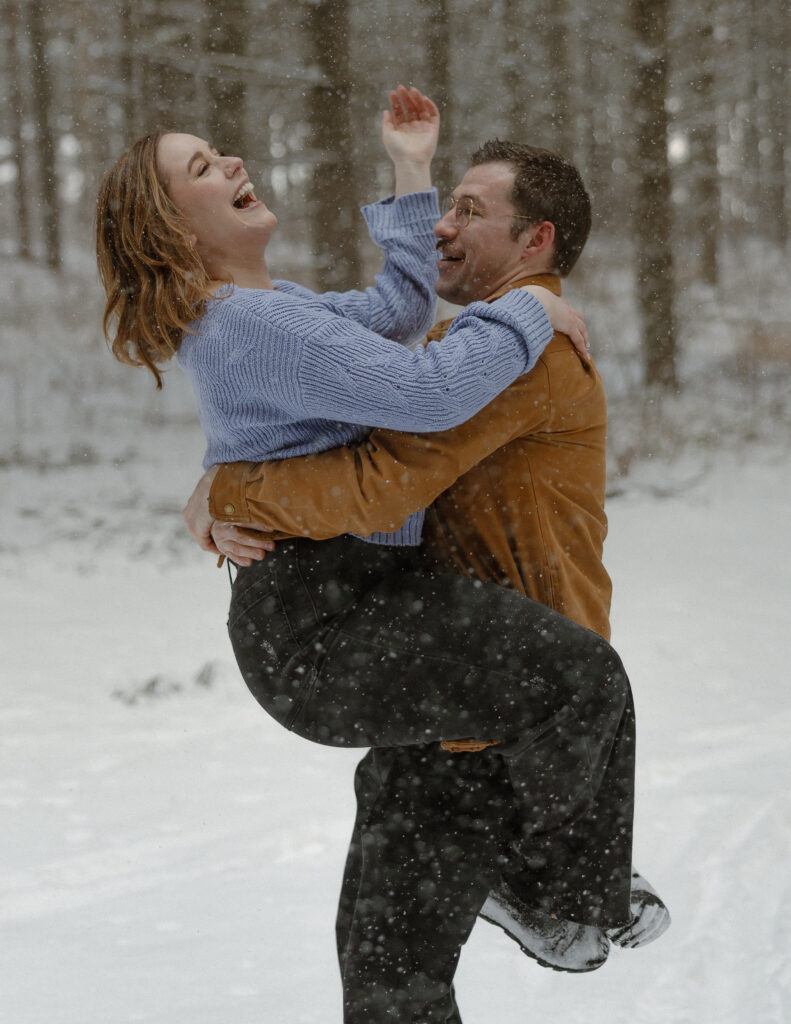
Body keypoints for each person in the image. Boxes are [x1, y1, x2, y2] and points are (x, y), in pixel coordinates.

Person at [97, 88, 635, 1024]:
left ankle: (553, 897)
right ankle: (555, 899)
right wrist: (526, 315)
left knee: (393, 984)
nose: (229, 163)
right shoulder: (271, 321)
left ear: (535, 242)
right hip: (353, 621)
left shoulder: (289, 312)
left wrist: (411, 171)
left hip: (405, 632)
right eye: (202, 167)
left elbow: (391, 343)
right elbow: (413, 404)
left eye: (473, 211)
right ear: (173, 230)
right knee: (581, 685)